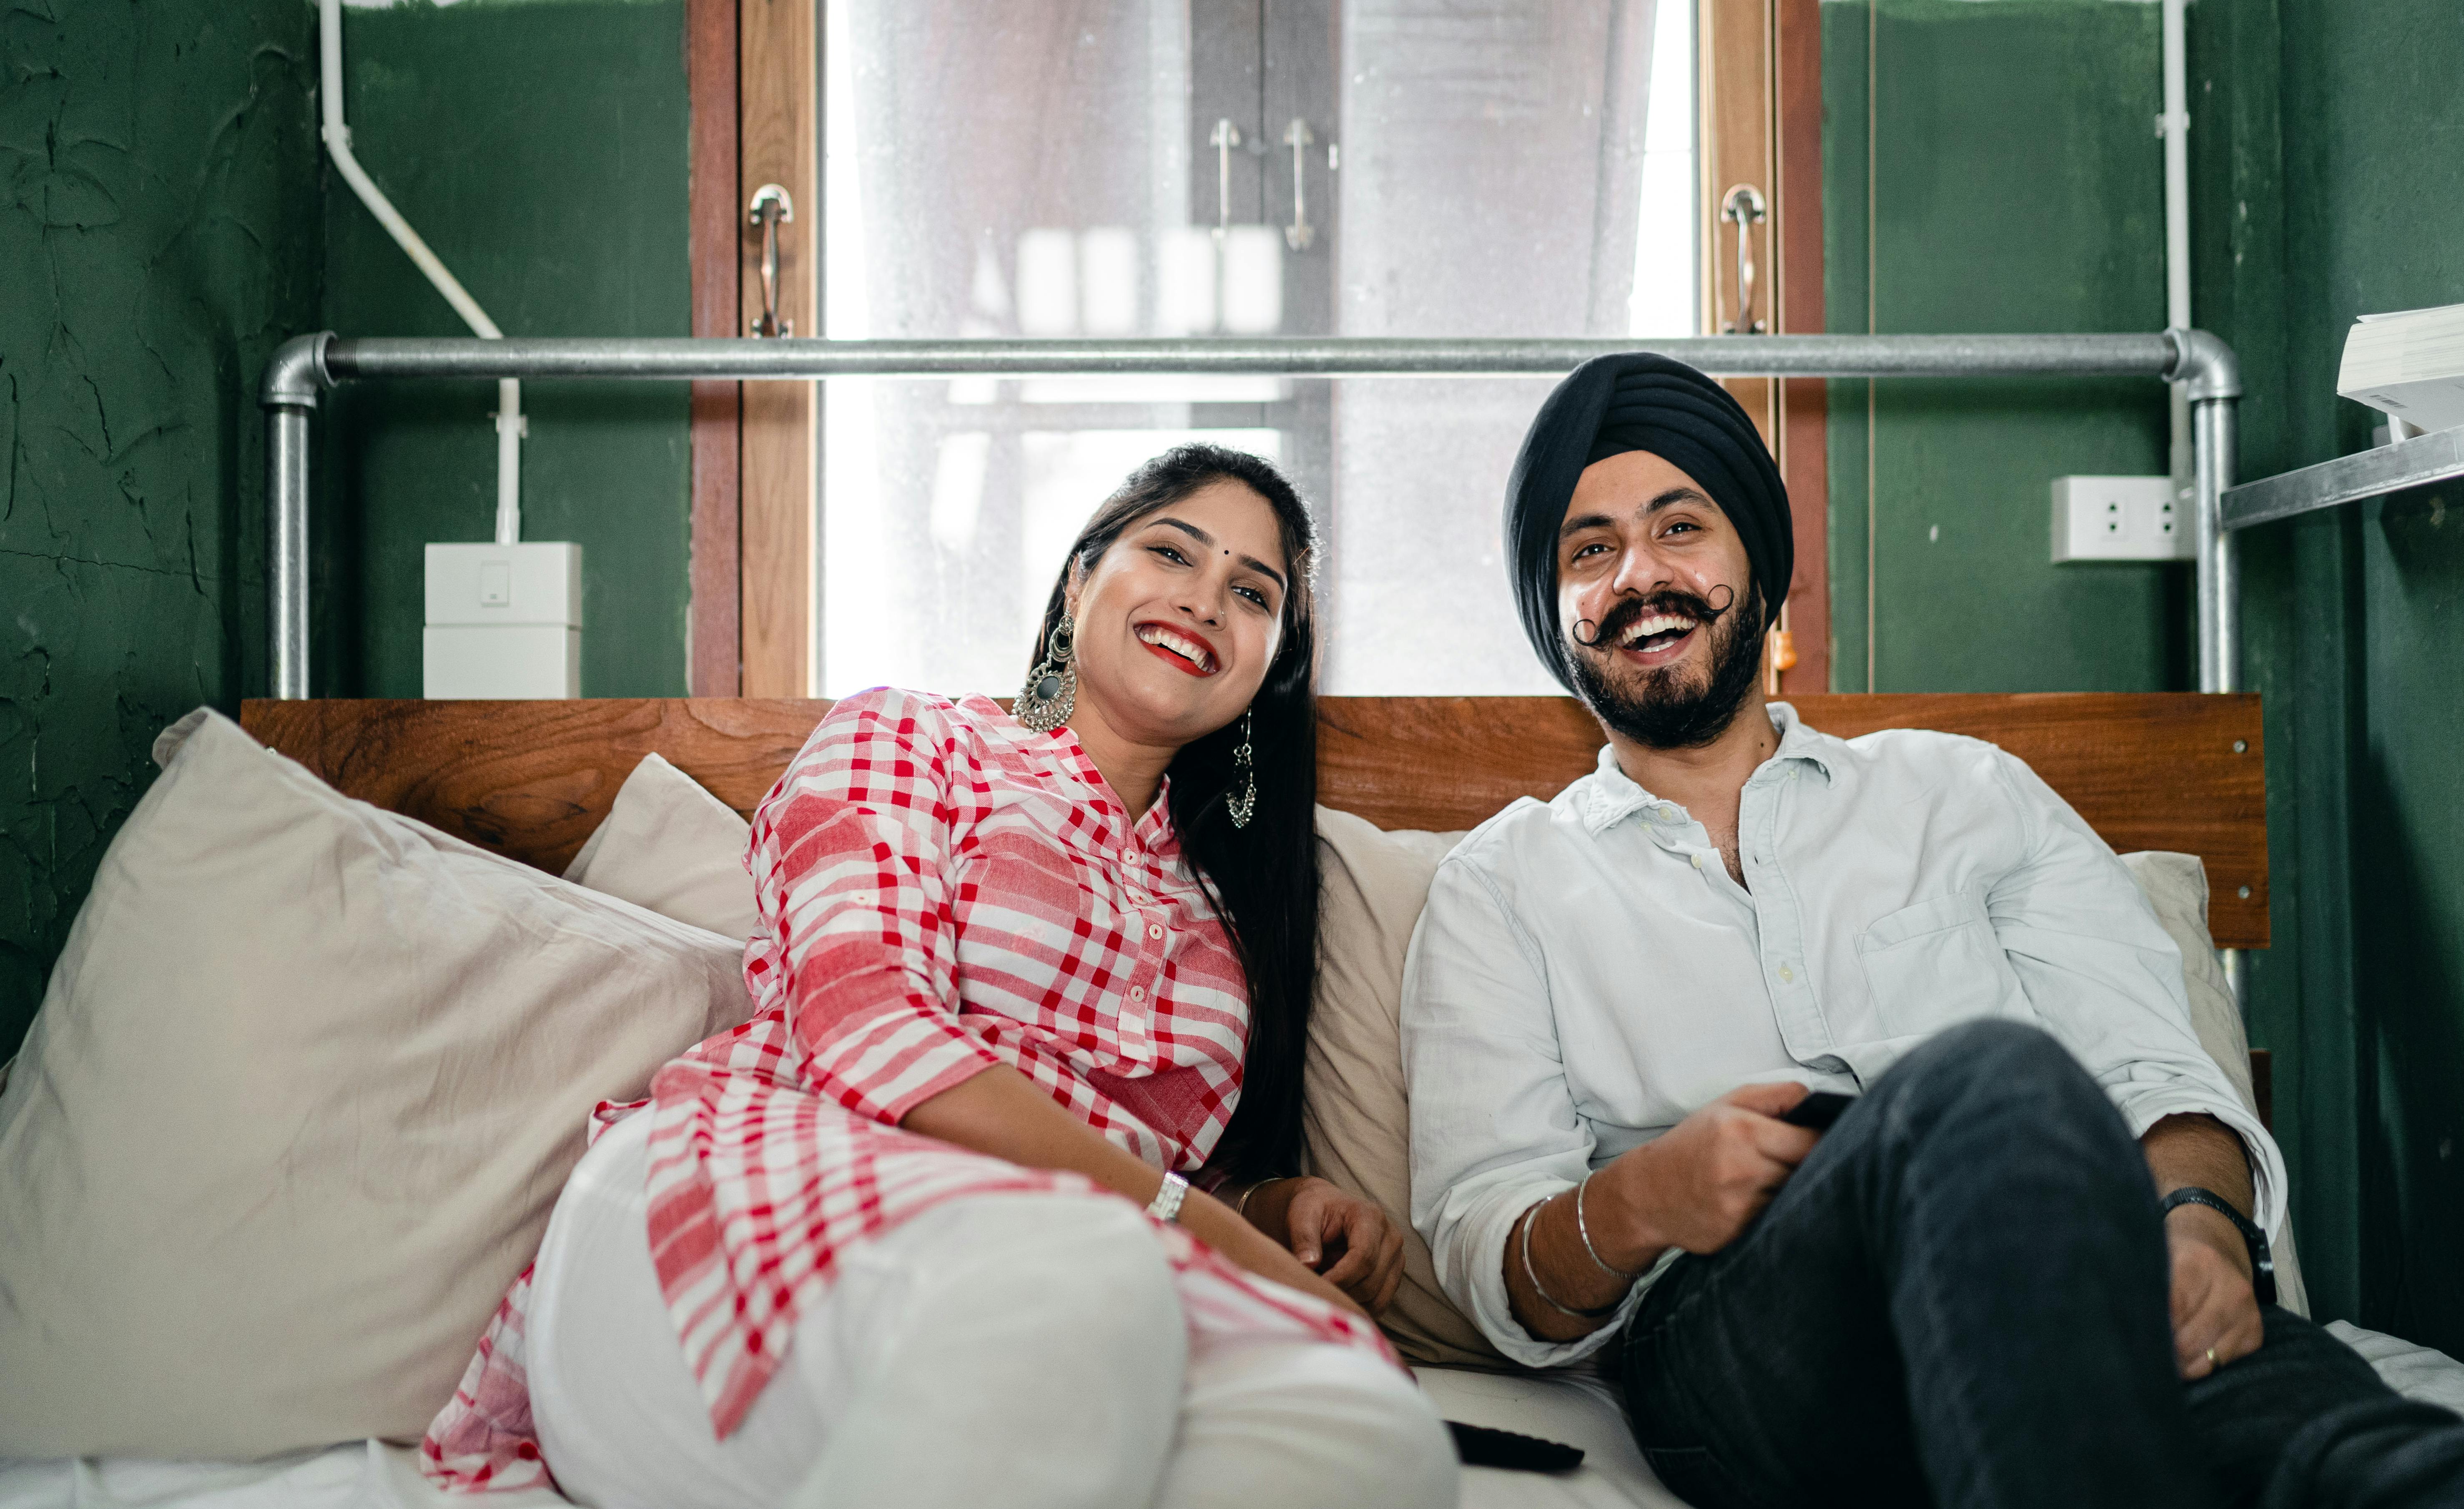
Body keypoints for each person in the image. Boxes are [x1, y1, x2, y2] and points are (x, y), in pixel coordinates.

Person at [1400, 354, 2464, 1507]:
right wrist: (1642, 1197)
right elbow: (1493, 1258)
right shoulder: (1500, 883)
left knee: (2354, 1452)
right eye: (1588, 549)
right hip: (1738, 1331)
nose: (1639, 575)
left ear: (1755, 558)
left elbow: (2155, 1074)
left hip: (2062, 1258)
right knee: (1988, 1074)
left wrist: (2200, 1227)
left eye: (1678, 525)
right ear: (1552, 609)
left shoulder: (1965, 795)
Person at [424, 445, 1456, 1509]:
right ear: (1079, 579)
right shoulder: (912, 737)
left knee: (1379, 1438)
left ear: (1272, 662)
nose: (1205, 599)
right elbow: (865, 1024)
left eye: (1252, 591)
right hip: (742, 1191)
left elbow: (1137, 1159)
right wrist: (1199, 1227)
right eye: (1171, 550)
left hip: (1071, 1263)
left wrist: (1265, 1202)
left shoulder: (1225, 905)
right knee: (1081, 1282)